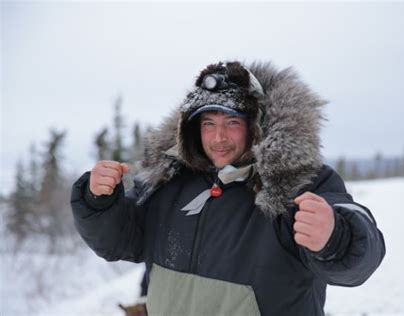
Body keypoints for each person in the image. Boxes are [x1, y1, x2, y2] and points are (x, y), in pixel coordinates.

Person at [71, 61, 385, 315]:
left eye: (232, 123)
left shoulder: (298, 181)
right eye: (208, 123)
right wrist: (97, 202)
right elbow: (117, 241)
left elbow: (360, 256)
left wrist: (336, 237)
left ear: (254, 124)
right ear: (193, 129)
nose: (219, 137)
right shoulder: (168, 181)